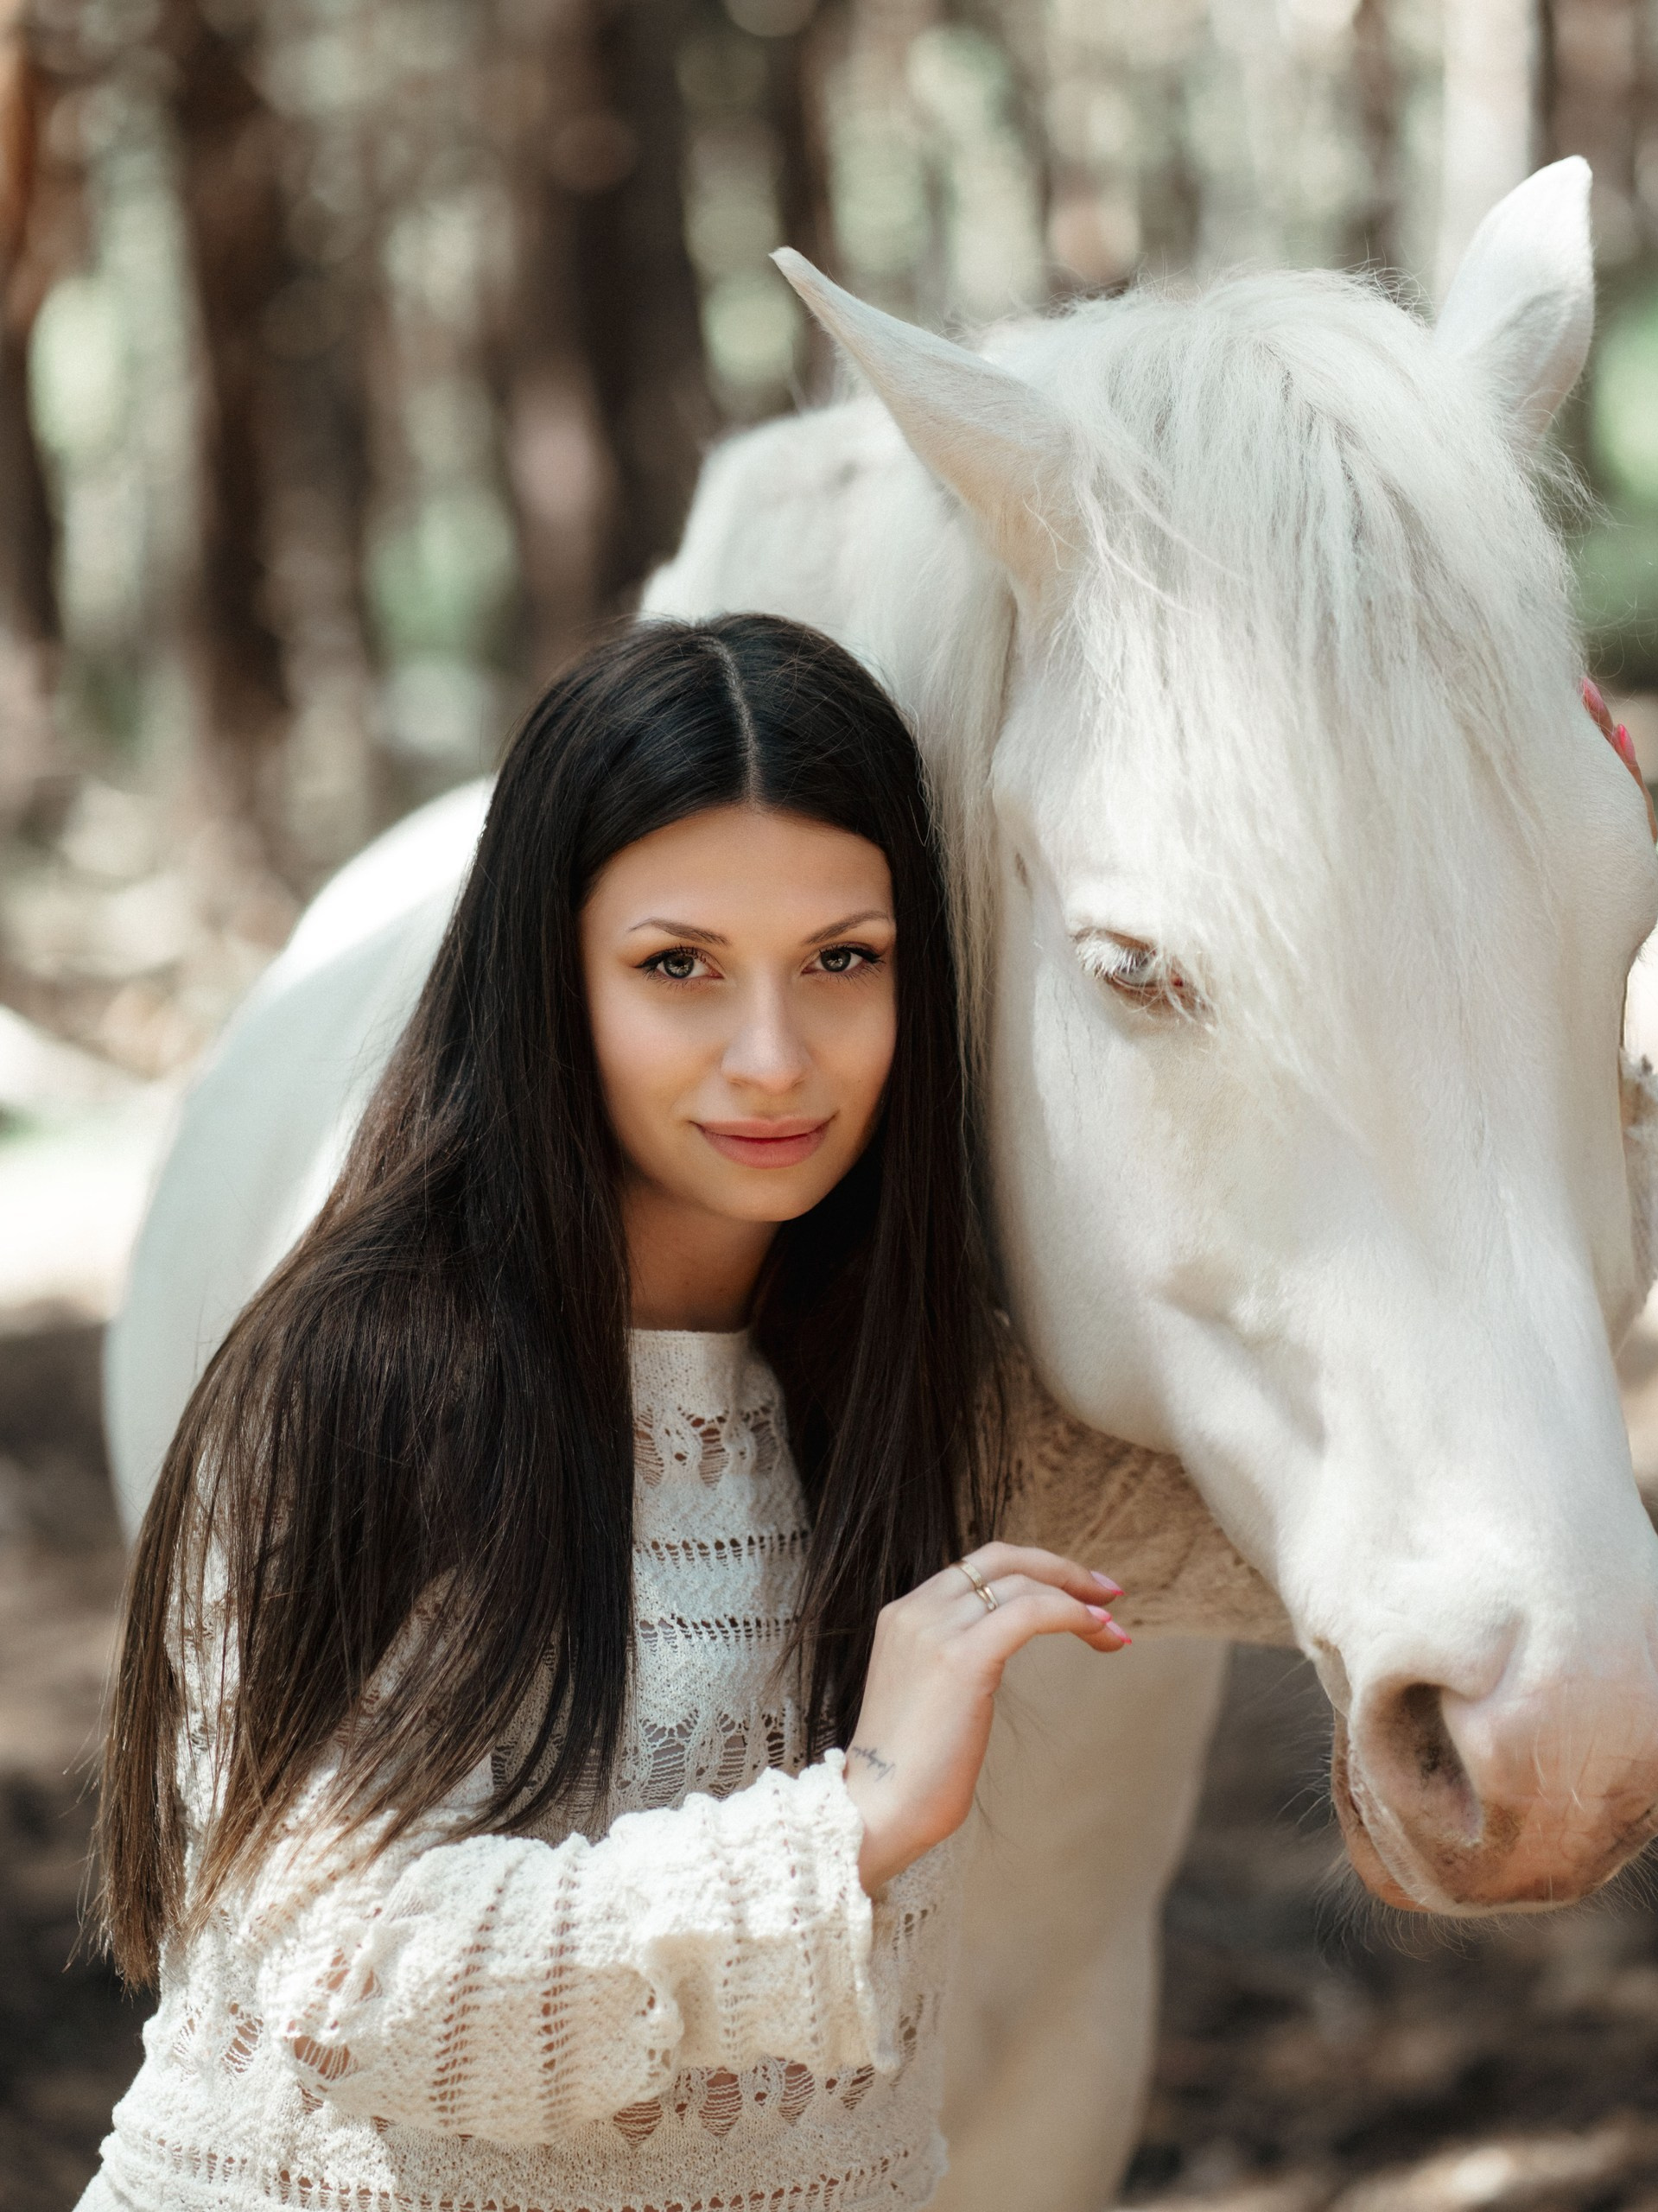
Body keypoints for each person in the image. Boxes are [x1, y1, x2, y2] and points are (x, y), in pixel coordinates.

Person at [85, 613, 1252, 2212]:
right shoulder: (361, 1381)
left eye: (843, 960)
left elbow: (1392, 1489)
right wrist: (852, 1824)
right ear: (548, 974)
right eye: (678, 967)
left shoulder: (939, 1408)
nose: (773, 1059)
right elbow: (340, 1984)